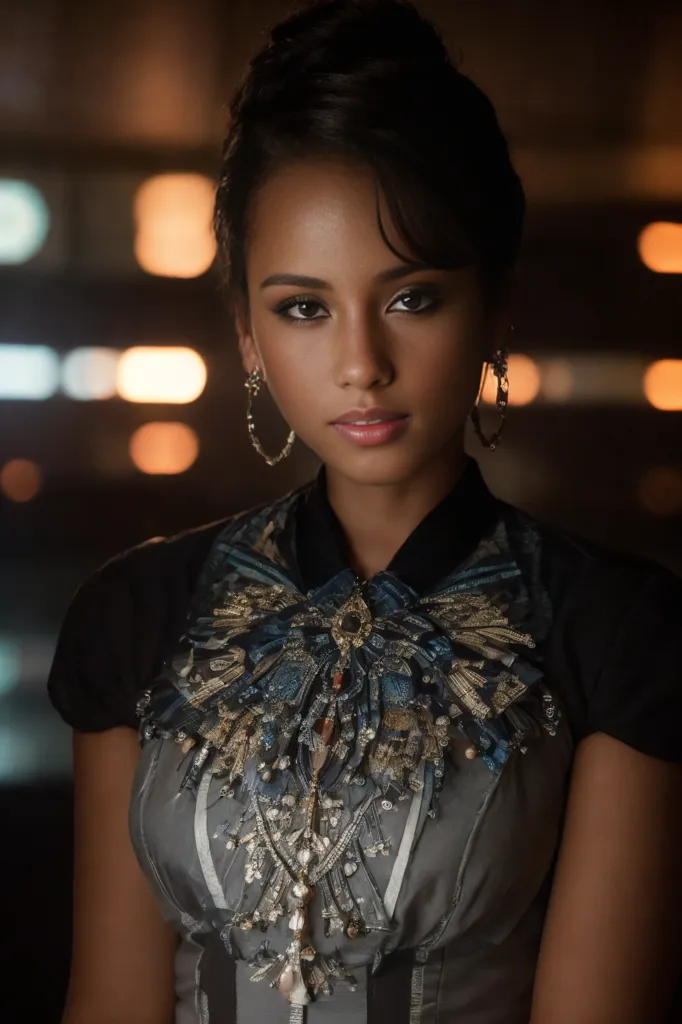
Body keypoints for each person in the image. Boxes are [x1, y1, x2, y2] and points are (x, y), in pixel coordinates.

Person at [47, 1, 682, 1022]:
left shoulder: (612, 631)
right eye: (303, 307)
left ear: (496, 306)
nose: (359, 365)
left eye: (410, 298)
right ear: (246, 334)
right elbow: (111, 998)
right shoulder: (139, 614)